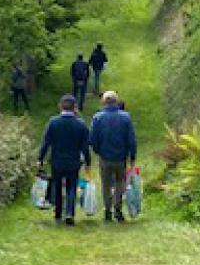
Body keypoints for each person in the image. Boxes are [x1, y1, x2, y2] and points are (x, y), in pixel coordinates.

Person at [38, 95, 91, 226]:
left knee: (56, 184)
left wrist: (40, 158)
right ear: (75, 107)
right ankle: (70, 213)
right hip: (73, 160)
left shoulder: (53, 122)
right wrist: (88, 162)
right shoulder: (80, 124)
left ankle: (58, 212)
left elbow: (46, 142)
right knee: (71, 186)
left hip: (57, 160)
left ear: (60, 106)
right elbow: (85, 146)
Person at [89, 91, 137, 222]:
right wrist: (132, 155)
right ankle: (118, 208)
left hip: (105, 156)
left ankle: (107, 209)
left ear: (104, 102)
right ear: (116, 101)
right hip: (121, 157)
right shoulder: (125, 117)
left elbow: (92, 138)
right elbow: (131, 139)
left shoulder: (97, 118)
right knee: (120, 182)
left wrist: (98, 151)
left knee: (105, 184)